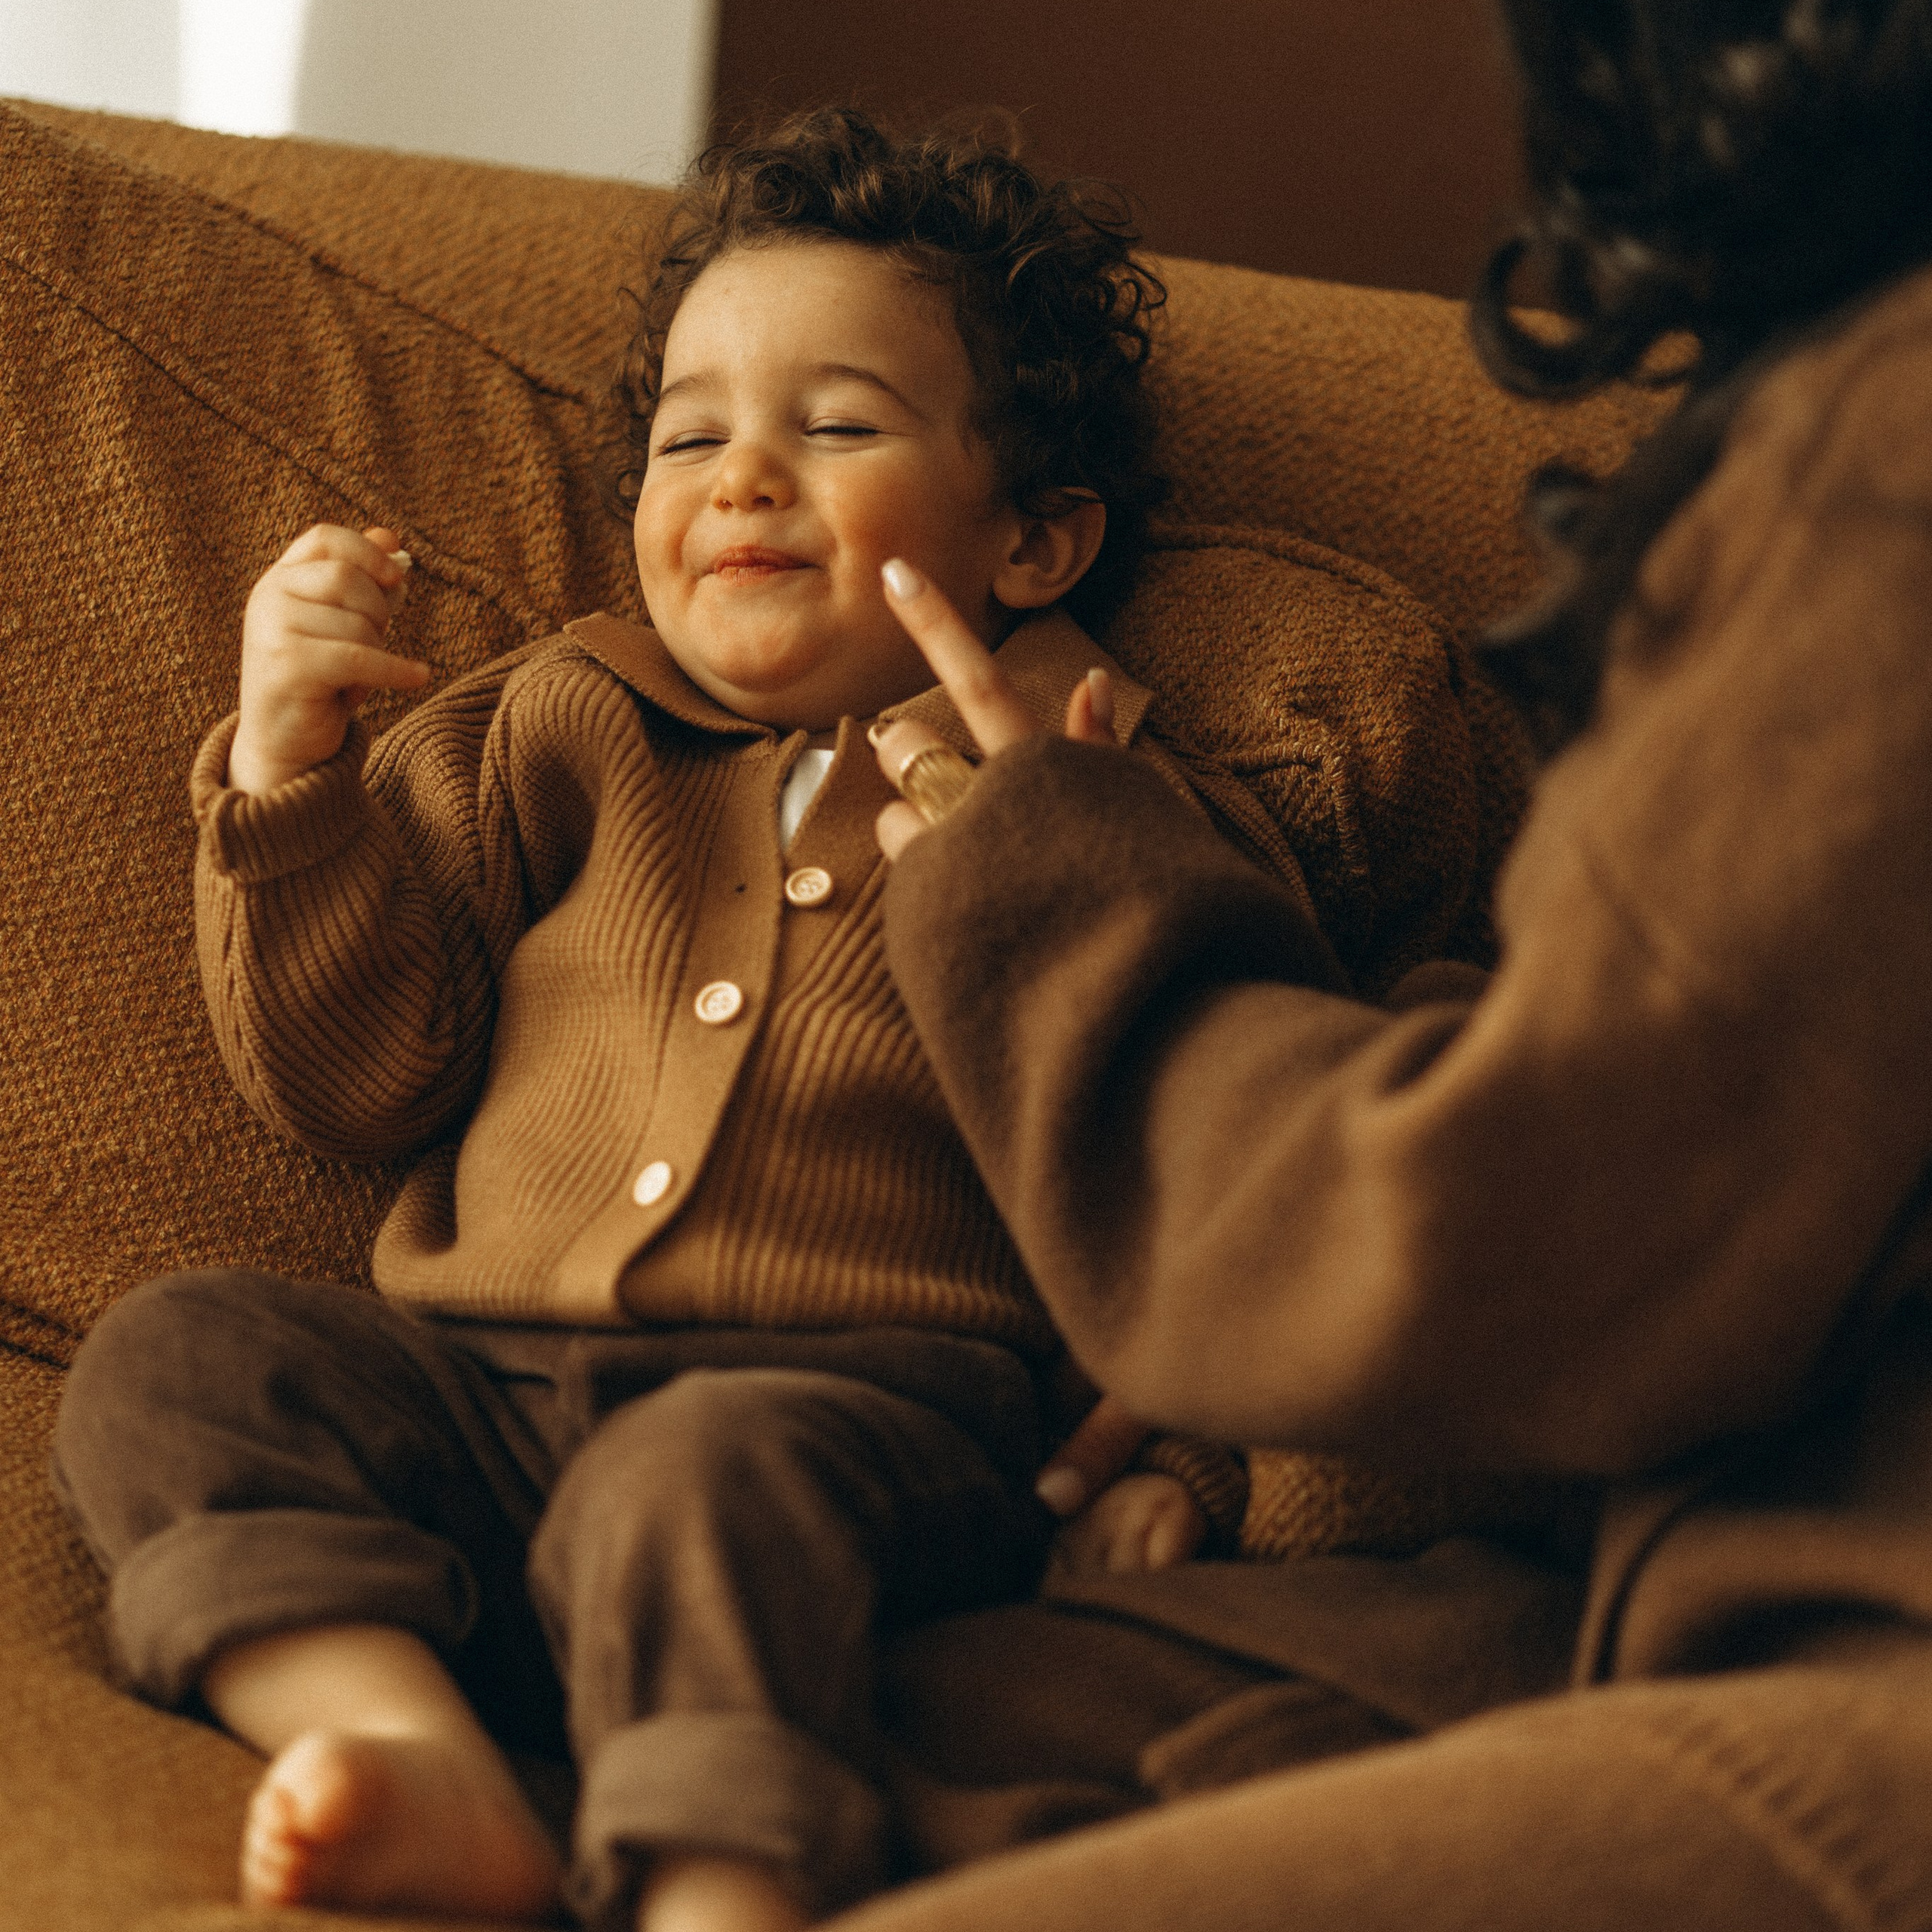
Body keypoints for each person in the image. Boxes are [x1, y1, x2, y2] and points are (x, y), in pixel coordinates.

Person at [49, 109, 1290, 1932]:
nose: (742, 477)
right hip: (483, 1405)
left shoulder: (1105, 791)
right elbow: (361, 1077)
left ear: (1032, 538)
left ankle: (718, 1879)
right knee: (177, 1356)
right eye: (689, 436)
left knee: (699, 1475)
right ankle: (409, 1750)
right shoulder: (550, 721)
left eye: (835, 427)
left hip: (857, 1434)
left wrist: (1167, 1445)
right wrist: (291, 775)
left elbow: (1234, 1162)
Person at [845, 2, 1932, 1926]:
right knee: (812, 1708)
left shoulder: (1890, 442)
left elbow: (1538, 1242)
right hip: (1640, 1595)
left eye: (834, 421)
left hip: (1856, 1690)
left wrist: (1056, 909)